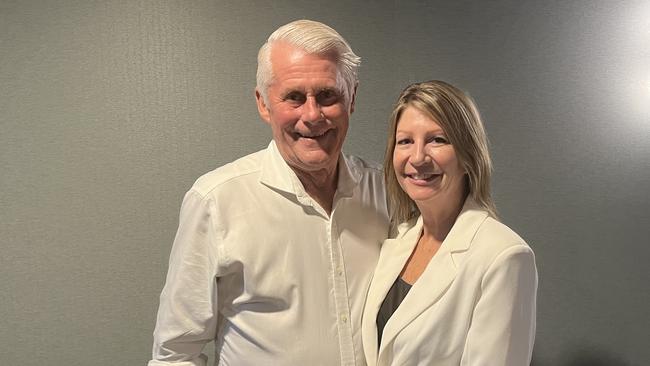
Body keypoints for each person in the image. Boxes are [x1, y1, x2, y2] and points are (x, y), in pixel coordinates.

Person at [148, 20, 389, 366]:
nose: (312, 115)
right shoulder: (216, 201)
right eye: (294, 97)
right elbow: (174, 354)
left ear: (351, 100)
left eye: (327, 95)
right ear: (263, 104)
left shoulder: (387, 194)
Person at [361, 80, 538, 366]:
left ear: (468, 155)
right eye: (405, 141)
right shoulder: (398, 237)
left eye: (437, 140)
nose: (417, 157)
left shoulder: (504, 256)